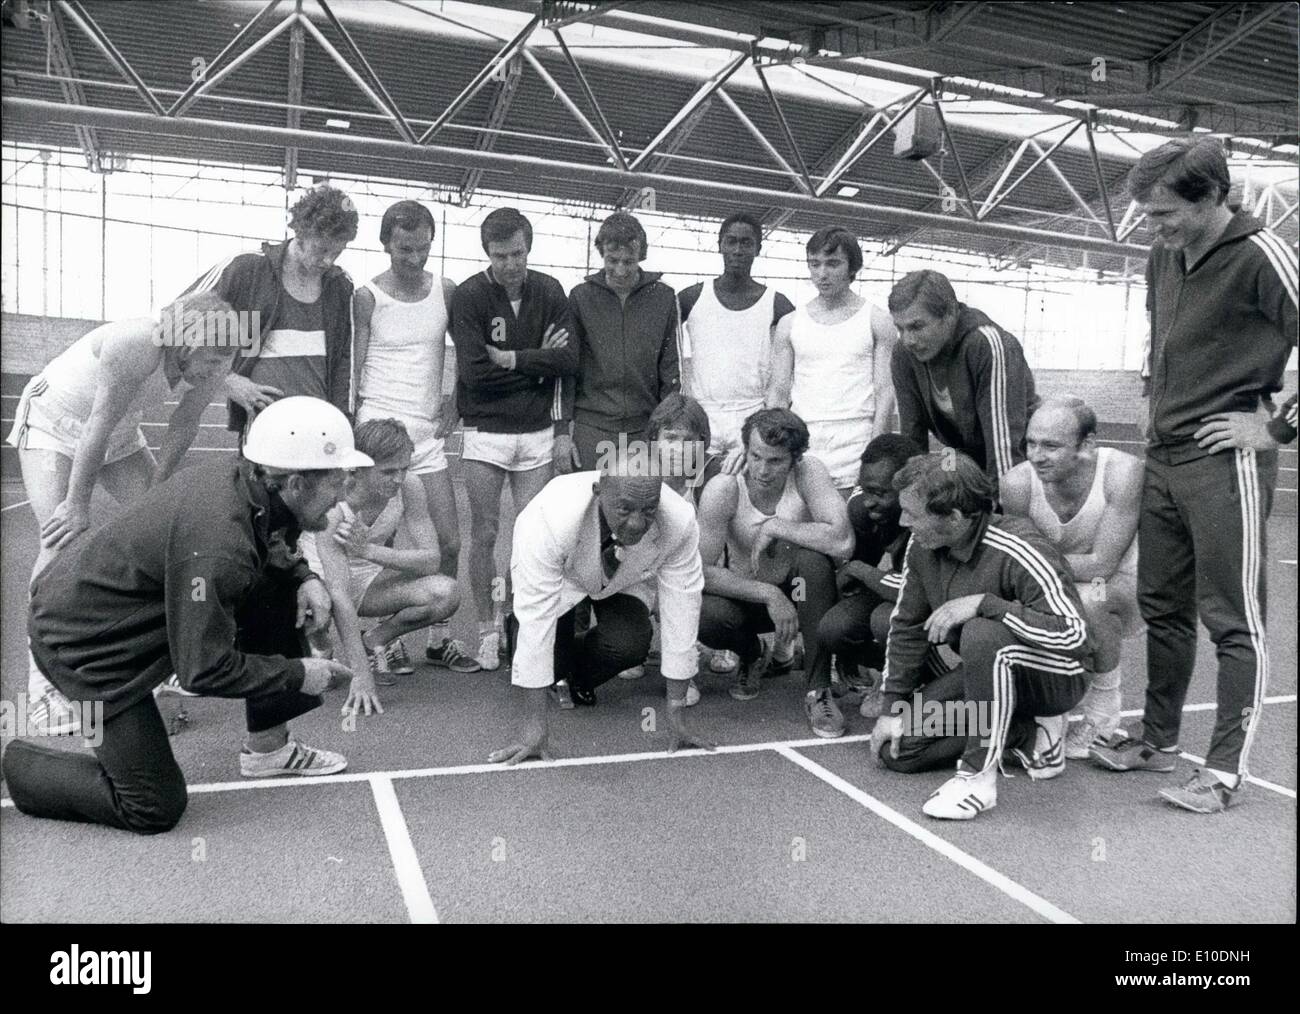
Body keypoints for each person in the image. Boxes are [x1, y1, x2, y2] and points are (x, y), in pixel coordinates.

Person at [0, 397, 368, 835]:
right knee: (153, 807)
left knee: (279, 589)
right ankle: (17, 761)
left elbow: (272, 541)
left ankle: (269, 751)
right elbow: (203, 670)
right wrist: (297, 673)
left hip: (119, 613)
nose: (344, 492)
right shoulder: (221, 546)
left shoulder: (251, 481)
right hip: (85, 647)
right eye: (336, 481)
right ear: (294, 483)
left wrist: (304, 576)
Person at [1088, 137, 1298, 814]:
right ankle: (1155, 739)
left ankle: (1225, 772)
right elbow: (1163, 344)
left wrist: (1274, 429)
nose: (1155, 227)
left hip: (1225, 458)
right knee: (1164, 608)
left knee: (1233, 620)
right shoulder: (1163, 255)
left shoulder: (1263, 253)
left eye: (1164, 212)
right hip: (1166, 454)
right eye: (1147, 214)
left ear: (1211, 196)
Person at [6, 292, 240, 734]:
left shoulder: (214, 359)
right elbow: (96, 422)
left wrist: (157, 497)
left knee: (172, 538)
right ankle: (41, 689)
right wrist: (76, 506)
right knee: (61, 540)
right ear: (185, 343)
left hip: (119, 435)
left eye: (226, 359)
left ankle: (169, 658)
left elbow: (183, 427)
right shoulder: (137, 342)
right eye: (212, 358)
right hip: (55, 423)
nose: (219, 369)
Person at [872, 452, 1094, 821]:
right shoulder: (922, 546)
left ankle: (977, 777)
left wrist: (986, 604)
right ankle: (1028, 735)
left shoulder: (1020, 549)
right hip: (989, 676)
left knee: (981, 633)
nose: (902, 521)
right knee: (900, 750)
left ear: (955, 518)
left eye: (912, 514)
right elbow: (908, 626)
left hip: (1054, 678)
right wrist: (892, 707)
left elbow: (1074, 637)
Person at [489, 454, 711, 765]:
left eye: (649, 511)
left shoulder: (680, 521)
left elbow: (683, 608)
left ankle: (573, 673)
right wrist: (533, 730)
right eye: (624, 509)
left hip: (623, 580)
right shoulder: (550, 516)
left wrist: (676, 710)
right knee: (542, 648)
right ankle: (529, 647)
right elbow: (537, 620)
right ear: (598, 491)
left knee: (630, 642)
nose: (637, 523)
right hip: (561, 576)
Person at [450, 207, 579, 671]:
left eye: (518, 253)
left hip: (538, 433)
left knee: (530, 538)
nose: (510, 264)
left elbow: (568, 362)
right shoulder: (468, 297)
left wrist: (509, 359)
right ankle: (487, 630)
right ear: (487, 253)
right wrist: (536, 363)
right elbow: (473, 373)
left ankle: (520, 625)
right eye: (501, 255)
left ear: (530, 248)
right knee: (484, 533)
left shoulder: (549, 289)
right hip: (486, 432)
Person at [353, 200, 475, 672]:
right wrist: (353, 428)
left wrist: (456, 399)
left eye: (423, 248)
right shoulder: (367, 296)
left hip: (426, 437)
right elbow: (355, 362)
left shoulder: (445, 290)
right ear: (385, 244)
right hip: (377, 434)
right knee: (380, 538)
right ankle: (384, 633)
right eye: (405, 248)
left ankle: (436, 639)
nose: (414, 257)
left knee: (448, 543)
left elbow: (464, 347)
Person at [696, 408, 855, 737]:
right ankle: (752, 654)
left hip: (802, 596)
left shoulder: (809, 472)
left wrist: (777, 526)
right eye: (755, 456)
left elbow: (843, 542)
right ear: (745, 450)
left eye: (776, 461)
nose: (762, 470)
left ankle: (818, 690)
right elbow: (701, 572)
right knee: (704, 613)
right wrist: (770, 594)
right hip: (749, 598)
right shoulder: (724, 488)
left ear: (795, 459)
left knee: (813, 561)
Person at [1000, 397, 1143, 759]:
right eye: (1031, 443)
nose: (1036, 455)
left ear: (1087, 444)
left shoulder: (1121, 472)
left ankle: (1103, 712)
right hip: (1055, 581)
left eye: (1051, 446)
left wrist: (1037, 570)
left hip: (1117, 584)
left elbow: (1102, 565)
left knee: (1090, 599)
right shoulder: (1017, 483)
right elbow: (1017, 561)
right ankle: (1051, 706)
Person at [299, 418, 461, 714]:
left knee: (446, 592)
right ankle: (317, 638)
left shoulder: (410, 487)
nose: (398, 479)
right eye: (388, 471)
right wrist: (361, 676)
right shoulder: (335, 507)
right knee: (318, 665)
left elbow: (431, 560)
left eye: (404, 468)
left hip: (368, 581)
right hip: (316, 586)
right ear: (358, 469)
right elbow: (340, 594)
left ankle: (374, 640)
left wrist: (367, 550)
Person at [182, 183, 359, 430]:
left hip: (321, 429)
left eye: (338, 252)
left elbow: (344, 364)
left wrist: (343, 422)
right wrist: (229, 381)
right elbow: (175, 323)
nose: (328, 260)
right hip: (262, 428)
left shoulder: (340, 286)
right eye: (322, 249)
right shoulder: (247, 269)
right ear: (300, 232)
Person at [766, 226, 897, 493]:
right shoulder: (789, 324)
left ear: (852, 267)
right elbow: (778, 392)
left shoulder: (877, 320)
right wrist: (774, 445)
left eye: (833, 263)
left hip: (856, 445)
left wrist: (875, 453)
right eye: (815, 264)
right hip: (804, 446)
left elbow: (885, 392)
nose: (822, 274)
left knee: (853, 528)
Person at [889, 269, 1037, 481]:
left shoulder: (986, 344)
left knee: (992, 506)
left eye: (917, 326)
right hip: (959, 454)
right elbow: (912, 437)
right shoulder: (904, 354)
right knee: (943, 494)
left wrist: (999, 509)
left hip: (1017, 460)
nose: (908, 340)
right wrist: (915, 498)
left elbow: (1004, 448)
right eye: (900, 328)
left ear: (949, 315)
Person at [567, 211, 682, 472]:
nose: (620, 270)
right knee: (590, 503)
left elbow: (672, 368)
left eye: (628, 261)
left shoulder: (664, 296)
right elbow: (567, 368)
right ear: (601, 254)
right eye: (612, 260)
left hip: (644, 428)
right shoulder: (580, 297)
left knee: (641, 503)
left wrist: (666, 428)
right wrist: (563, 430)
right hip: (591, 427)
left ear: (641, 256)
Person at [818, 433, 923, 711]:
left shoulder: (928, 512)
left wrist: (860, 571)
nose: (869, 501)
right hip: (895, 584)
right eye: (866, 490)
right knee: (834, 628)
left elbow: (913, 592)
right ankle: (876, 666)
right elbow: (849, 580)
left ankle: (915, 679)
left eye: (880, 493)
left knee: (885, 618)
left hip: (933, 599)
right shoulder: (860, 508)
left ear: (907, 487)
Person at [678, 212, 794, 458]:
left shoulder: (776, 302)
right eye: (731, 241)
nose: (738, 250)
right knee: (692, 491)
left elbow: (802, 349)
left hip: (751, 414)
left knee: (744, 492)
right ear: (720, 245)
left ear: (758, 249)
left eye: (746, 243)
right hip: (701, 414)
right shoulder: (692, 297)